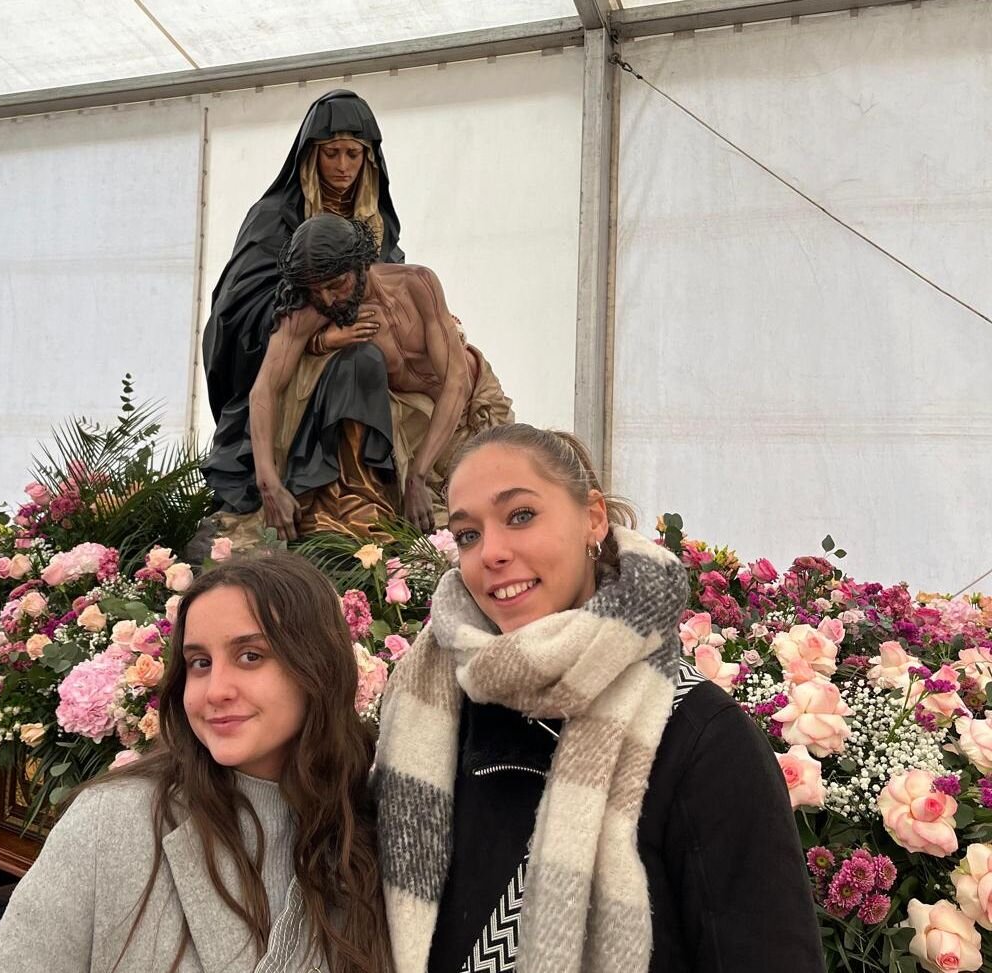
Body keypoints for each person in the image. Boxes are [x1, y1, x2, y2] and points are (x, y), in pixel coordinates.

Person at [374, 423, 825, 973]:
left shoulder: (698, 733)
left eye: (520, 516)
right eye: (467, 534)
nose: (491, 552)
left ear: (592, 518)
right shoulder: (433, 706)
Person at [0, 555, 392, 973]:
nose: (215, 691)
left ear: (318, 667)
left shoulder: (375, 829)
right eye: (200, 663)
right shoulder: (113, 821)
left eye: (250, 656)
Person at [234, 214, 513, 542]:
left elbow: (456, 381)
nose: (328, 299)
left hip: (475, 403)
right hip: (419, 423)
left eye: (336, 284)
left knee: (503, 499)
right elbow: (264, 390)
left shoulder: (418, 284)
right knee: (452, 526)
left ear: (362, 262)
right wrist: (269, 484)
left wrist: (417, 478)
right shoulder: (312, 313)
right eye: (316, 291)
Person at [202, 90, 403, 517]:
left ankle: (378, 495)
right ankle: (341, 500)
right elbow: (238, 306)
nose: (343, 167)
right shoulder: (276, 216)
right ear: (310, 154)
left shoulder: (376, 219)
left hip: (370, 340)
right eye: (332, 153)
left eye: (353, 153)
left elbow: (392, 283)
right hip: (288, 352)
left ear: (369, 158)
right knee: (359, 361)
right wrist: (322, 338)